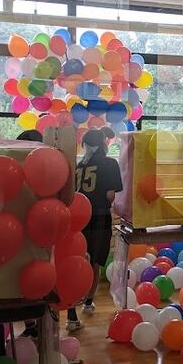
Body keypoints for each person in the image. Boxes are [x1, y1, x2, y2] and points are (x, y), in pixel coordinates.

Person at [67, 128, 122, 332]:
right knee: (96, 260)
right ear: (105, 144)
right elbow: (110, 196)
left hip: (77, 218)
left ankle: (71, 313)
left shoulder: (79, 165)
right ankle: (88, 301)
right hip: (98, 216)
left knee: (76, 262)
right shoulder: (109, 164)